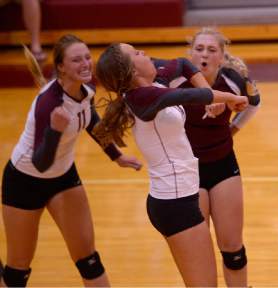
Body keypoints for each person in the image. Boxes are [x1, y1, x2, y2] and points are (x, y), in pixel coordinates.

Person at [93, 42, 249, 286]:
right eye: (136, 53)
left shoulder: (152, 83)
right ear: (133, 72)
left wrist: (208, 93)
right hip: (175, 205)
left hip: (181, 197)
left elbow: (184, 64)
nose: (145, 53)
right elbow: (189, 95)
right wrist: (228, 97)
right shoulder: (141, 98)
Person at [1, 34, 142, 287]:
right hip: (24, 181)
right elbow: (40, 163)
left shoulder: (86, 90)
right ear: (61, 67)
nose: (86, 64)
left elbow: (91, 121)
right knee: (18, 270)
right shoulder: (48, 104)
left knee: (89, 259)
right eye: (77, 60)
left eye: (87, 57)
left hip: (63, 178)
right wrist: (55, 130)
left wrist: (116, 156)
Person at [160, 27, 260, 287]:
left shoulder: (233, 79)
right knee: (199, 252)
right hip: (188, 171)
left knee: (232, 249)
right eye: (199, 48)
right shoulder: (175, 82)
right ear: (190, 54)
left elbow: (254, 102)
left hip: (223, 164)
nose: (204, 54)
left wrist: (233, 127)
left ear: (222, 57)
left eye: (212, 50)